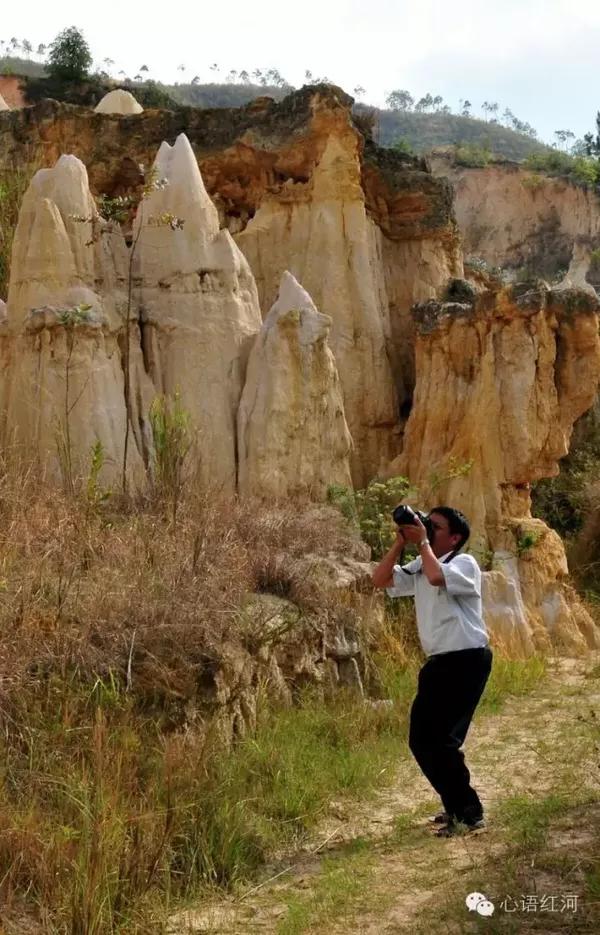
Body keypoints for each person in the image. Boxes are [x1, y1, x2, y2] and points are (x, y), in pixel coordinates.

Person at [371, 506, 492, 837]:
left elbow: (438, 577)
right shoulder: (420, 565)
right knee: (420, 740)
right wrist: (399, 543)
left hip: (467, 659)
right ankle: (455, 804)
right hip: (439, 663)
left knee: (441, 741)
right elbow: (380, 580)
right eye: (427, 525)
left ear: (454, 538)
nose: (427, 530)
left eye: (434, 527)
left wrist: (422, 543)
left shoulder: (462, 563)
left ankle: (468, 813)